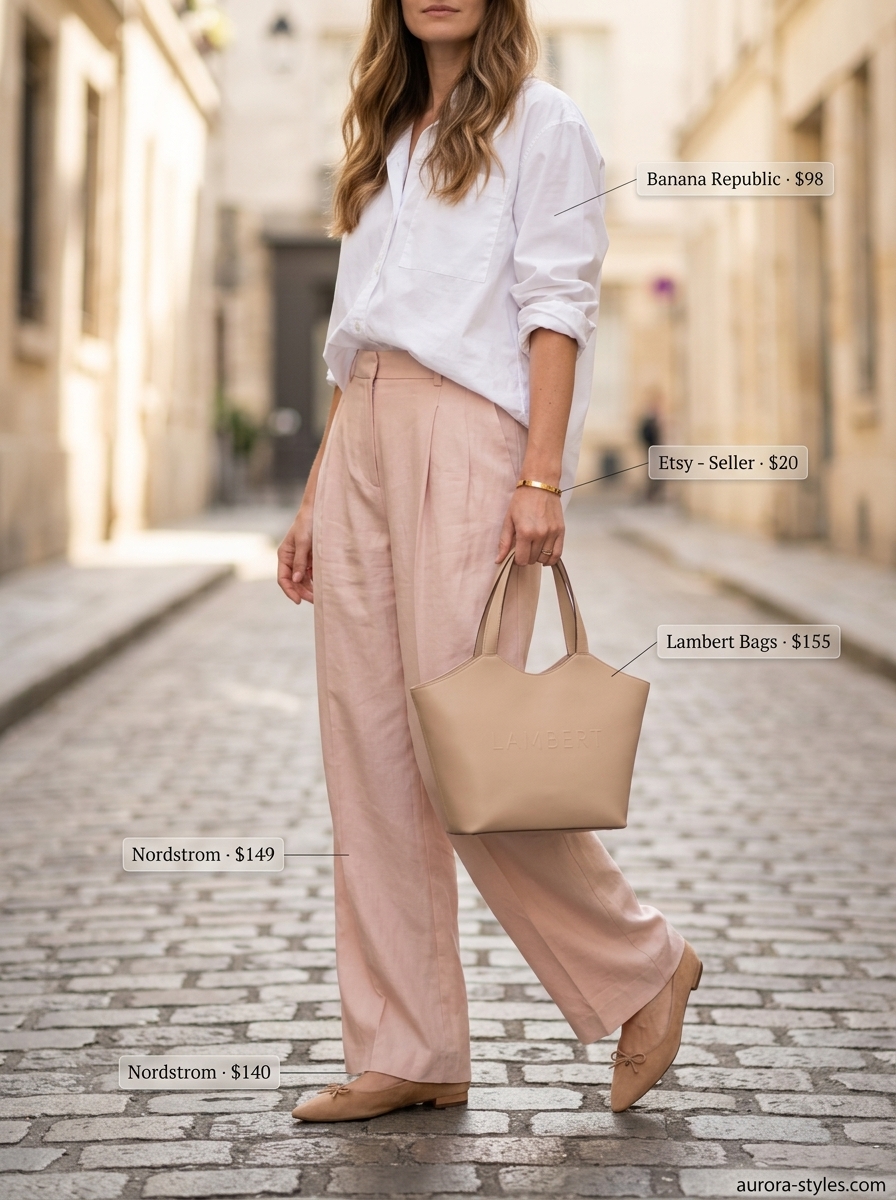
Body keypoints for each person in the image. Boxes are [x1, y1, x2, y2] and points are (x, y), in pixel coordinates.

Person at [277, 0, 701, 1122]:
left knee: (459, 745)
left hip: (468, 437)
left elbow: (555, 303)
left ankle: (643, 966)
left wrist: (542, 474)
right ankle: (408, 1047)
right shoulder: (380, 132)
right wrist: (319, 488)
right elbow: (355, 328)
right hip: (361, 433)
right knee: (364, 754)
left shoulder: (543, 121)